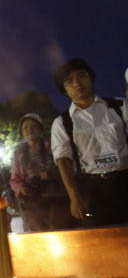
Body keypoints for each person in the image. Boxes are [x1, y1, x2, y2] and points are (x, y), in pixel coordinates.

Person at [51, 58, 128, 227]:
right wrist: (74, 196)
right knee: (102, 241)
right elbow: (63, 160)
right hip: (92, 188)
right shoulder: (62, 123)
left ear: (91, 78)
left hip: (125, 179)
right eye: (69, 82)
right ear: (64, 90)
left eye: (81, 76)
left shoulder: (120, 106)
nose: (77, 83)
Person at [10, 113, 71, 232]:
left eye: (33, 126)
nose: (29, 130)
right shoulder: (19, 154)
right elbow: (15, 179)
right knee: (38, 230)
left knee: (62, 228)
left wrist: (50, 175)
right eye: (25, 127)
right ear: (22, 132)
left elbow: (67, 166)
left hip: (57, 196)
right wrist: (21, 188)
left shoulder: (52, 145)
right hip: (33, 200)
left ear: (41, 128)